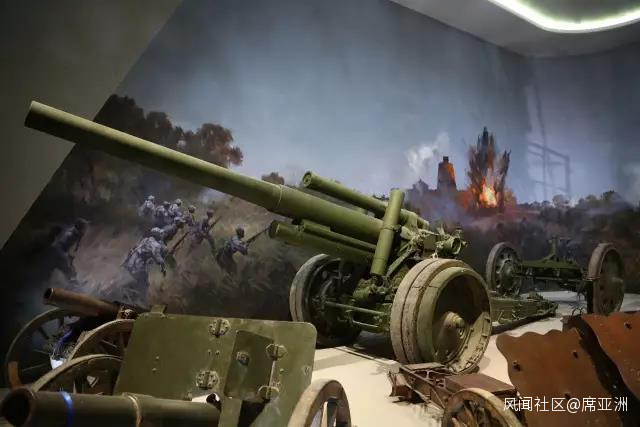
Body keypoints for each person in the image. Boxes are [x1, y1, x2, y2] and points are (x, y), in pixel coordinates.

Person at [122, 227, 167, 304]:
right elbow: (158, 258)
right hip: (138, 264)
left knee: (136, 277)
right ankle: (141, 300)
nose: (162, 235)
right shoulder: (156, 245)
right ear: (157, 235)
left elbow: (137, 248)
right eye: (160, 233)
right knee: (143, 281)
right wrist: (163, 267)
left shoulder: (146, 239)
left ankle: (129, 291)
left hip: (131, 260)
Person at [49, 218, 89, 288]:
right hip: (57, 251)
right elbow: (58, 245)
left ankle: (75, 283)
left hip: (59, 251)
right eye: (84, 228)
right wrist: (65, 255)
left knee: (70, 266)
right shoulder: (70, 234)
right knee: (67, 265)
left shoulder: (76, 234)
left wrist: (68, 255)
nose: (85, 230)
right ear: (80, 228)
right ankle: (73, 285)